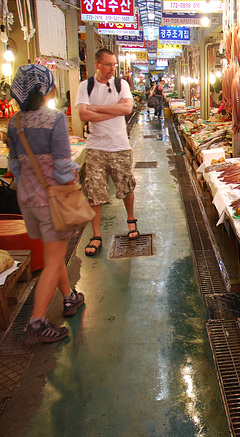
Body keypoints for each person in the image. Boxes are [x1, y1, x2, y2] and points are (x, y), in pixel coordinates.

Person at [7, 64, 85, 344]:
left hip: (27, 201)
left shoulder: (14, 123)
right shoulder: (55, 119)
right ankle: (36, 322)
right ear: (45, 88)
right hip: (52, 200)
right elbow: (64, 168)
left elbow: (13, 167)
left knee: (55, 253)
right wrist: (73, 179)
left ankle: (69, 297)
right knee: (53, 260)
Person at [76, 48, 138, 256]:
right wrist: (113, 109)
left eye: (114, 64)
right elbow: (83, 114)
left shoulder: (122, 84)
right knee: (95, 192)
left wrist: (96, 110)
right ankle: (96, 235)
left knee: (126, 186)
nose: (112, 69)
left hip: (120, 145)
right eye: (108, 64)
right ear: (97, 64)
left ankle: (131, 221)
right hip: (96, 147)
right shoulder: (86, 86)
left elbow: (127, 110)